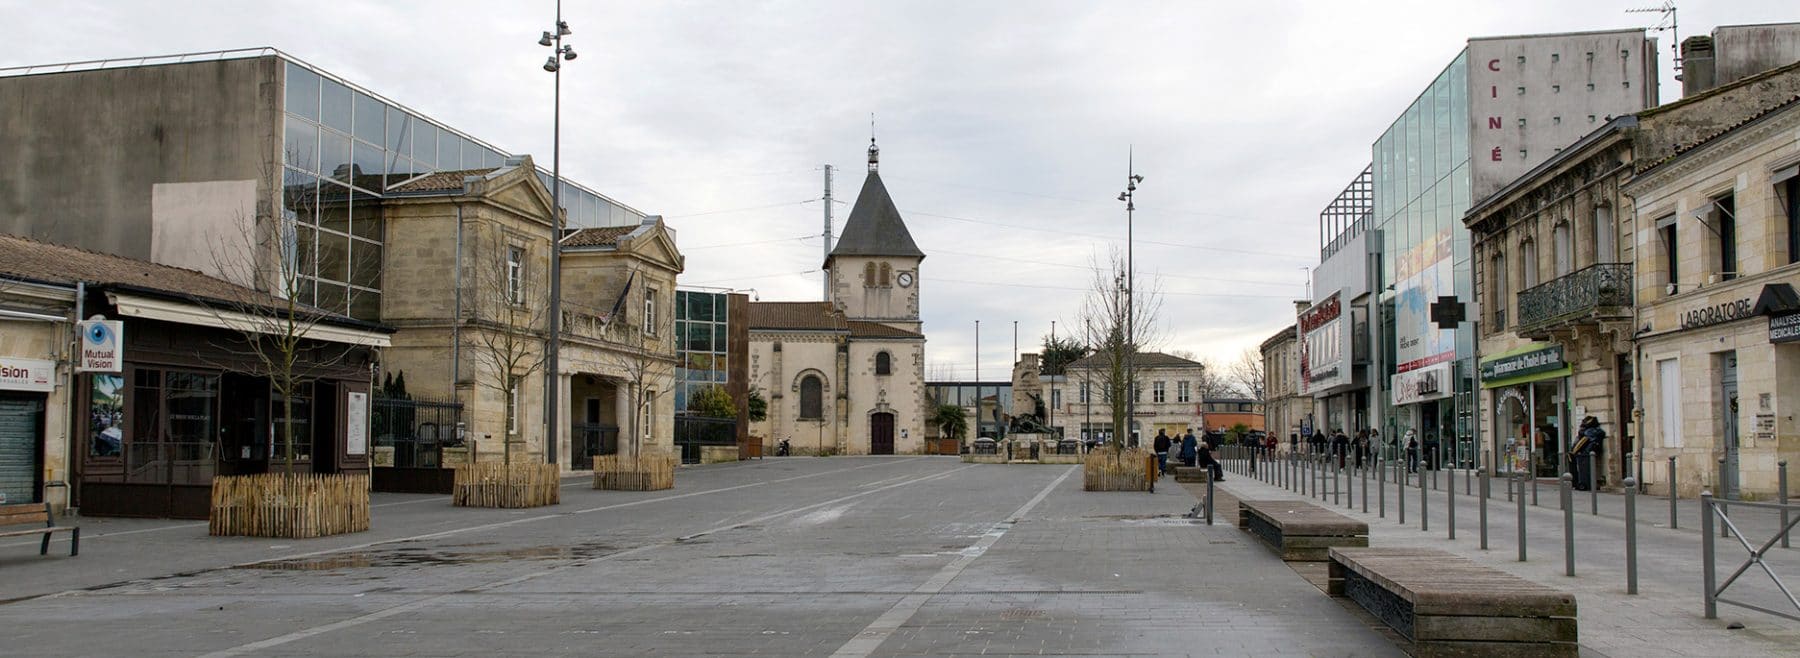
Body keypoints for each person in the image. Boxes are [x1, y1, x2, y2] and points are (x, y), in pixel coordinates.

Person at [1572, 416, 1606, 491]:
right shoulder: (1597, 430)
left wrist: (1575, 451)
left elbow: (1580, 443)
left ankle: (1585, 483)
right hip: (1590, 453)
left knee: (1584, 469)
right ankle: (1588, 483)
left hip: (1585, 453)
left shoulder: (1588, 431)